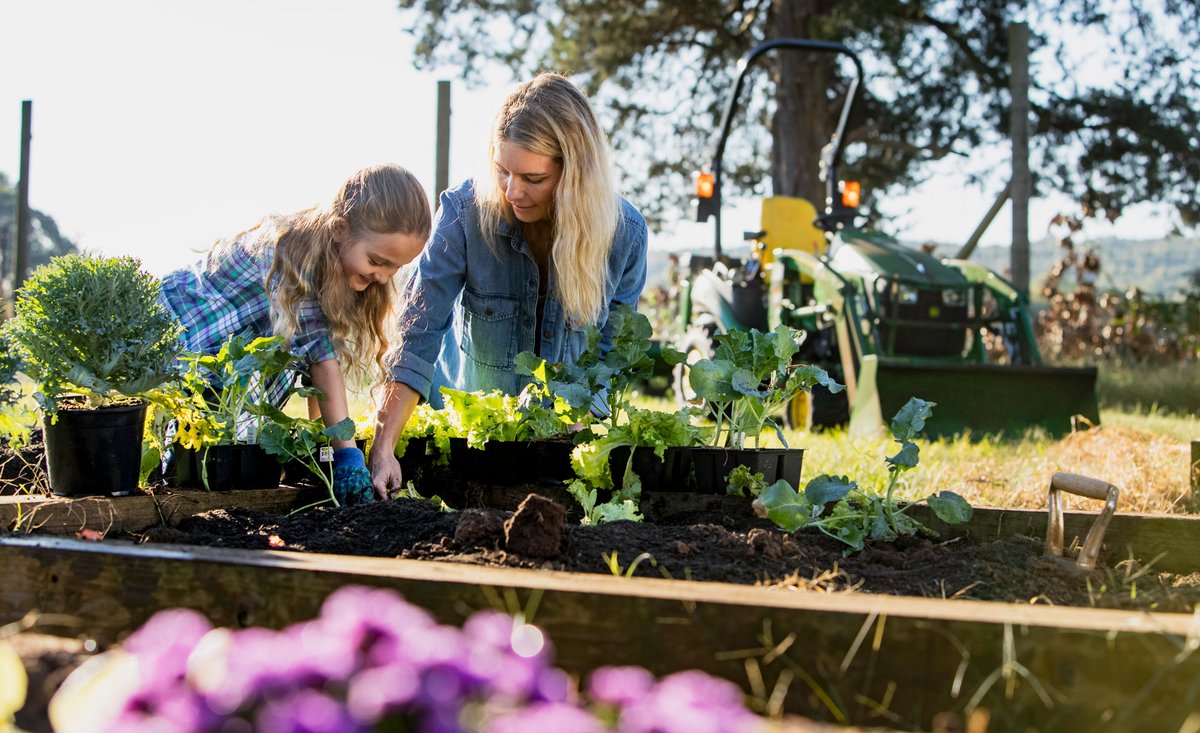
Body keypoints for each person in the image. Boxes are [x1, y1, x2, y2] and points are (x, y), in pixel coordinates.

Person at [368, 72, 648, 498]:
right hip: (469, 452)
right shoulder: (463, 215)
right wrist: (383, 447)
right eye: (502, 171)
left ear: (574, 176)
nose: (513, 191)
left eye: (533, 179)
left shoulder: (624, 234)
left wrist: (575, 429)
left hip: (559, 453)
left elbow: (609, 355)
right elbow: (417, 336)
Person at [158, 163, 432, 504]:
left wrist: (326, 448)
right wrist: (347, 457)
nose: (382, 276)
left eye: (395, 268)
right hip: (180, 343)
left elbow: (317, 376)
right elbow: (322, 361)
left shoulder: (337, 272)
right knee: (178, 469)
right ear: (340, 229)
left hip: (221, 375)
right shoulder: (290, 258)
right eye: (377, 260)